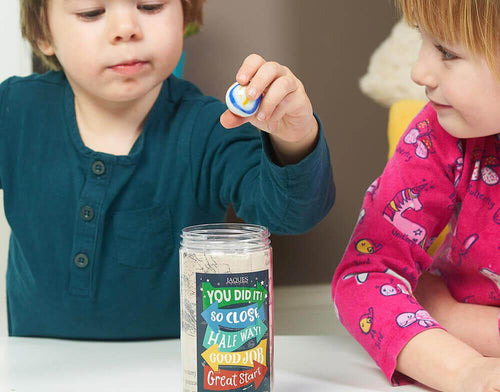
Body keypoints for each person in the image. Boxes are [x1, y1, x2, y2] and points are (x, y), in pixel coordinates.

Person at [0, 0, 334, 340]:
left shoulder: (210, 128)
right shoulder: (13, 109)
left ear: (185, 14)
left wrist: (295, 137)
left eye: (150, 6)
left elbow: (292, 214)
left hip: (173, 377)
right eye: (91, 12)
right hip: (33, 376)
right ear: (43, 32)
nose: (126, 28)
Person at [332, 0, 500, 392]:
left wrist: (447, 314)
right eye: (422, 39)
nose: (419, 72)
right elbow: (363, 276)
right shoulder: (438, 134)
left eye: (447, 52)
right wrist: (465, 372)